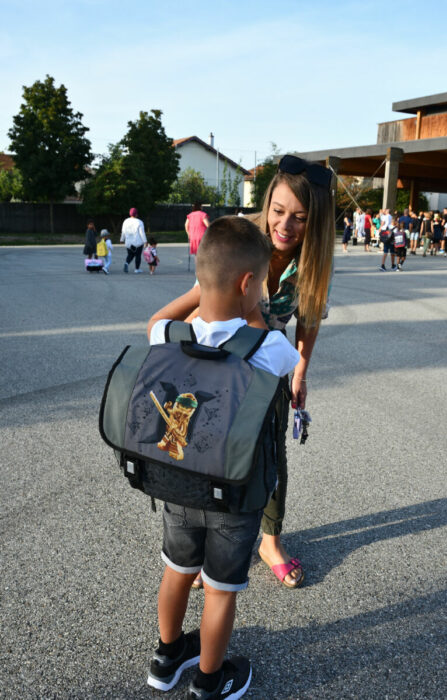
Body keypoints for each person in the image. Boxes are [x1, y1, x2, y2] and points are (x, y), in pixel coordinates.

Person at [147, 155, 335, 589]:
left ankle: (269, 540)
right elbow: (201, 298)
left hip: (269, 369)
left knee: (270, 455)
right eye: (279, 211)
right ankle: (195, 546)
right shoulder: (240, 236)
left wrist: (300, 374)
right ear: (267, 203)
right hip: (218, 367)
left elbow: (309, 321)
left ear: (316, 223)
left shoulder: (314, 262)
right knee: (207, 450)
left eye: (301, 218)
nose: (285, 226)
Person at [146, 216, 299, 699]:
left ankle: (166, 659)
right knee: (219, 590)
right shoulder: (268, 347)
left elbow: (154, 321)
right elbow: (273, 347)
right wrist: (249, 301)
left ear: (200, 273)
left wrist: (202, 289)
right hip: (234, 494)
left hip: (178, 483)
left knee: (177, 571)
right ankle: (210, 682)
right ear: (249, 283)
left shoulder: (170, 336)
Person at [121, 207, 147, 273]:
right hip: (137, 243)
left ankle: (126, 263)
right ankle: (137, 269)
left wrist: (122, 239)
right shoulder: (139, 222)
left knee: (130, 255)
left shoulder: (126, 221)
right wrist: (145, 241)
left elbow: (123, 231)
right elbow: (142, 233)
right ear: (136, 214)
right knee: (138, 255)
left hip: (128, 243)